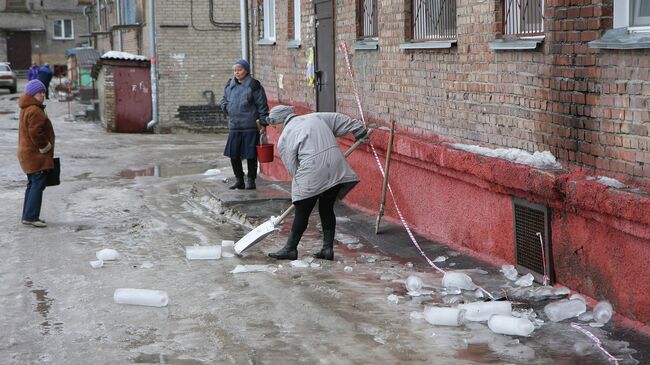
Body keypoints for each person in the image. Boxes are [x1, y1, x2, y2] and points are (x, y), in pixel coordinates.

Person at [265, 105, 369, 261]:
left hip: (312, 170)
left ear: (281, 121)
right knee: (326, 208)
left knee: (302, 210)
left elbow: (293, 169)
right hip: (336, 168)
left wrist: (303, 193)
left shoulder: (285, 138)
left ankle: (290, 249)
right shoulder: (315, 117)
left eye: (274, 125)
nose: (274, 129)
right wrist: (358, 130)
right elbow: (339, 119)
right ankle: (327, 249)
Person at [220, 59, 269, 190]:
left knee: (251, 155)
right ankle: (239, 179)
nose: (237, 72)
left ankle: (251, 180)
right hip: (235, 125)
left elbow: (262, 104)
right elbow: (224, 99)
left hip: (251, 125)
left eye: (240, 70)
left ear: (246, 70)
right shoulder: (230, 85)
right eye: (235, 70)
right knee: (233, 154)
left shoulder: (254, 85)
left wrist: (263, 122)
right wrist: (226, 107)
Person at [17, 79, 55, 228]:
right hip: (35, 154)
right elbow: (35, 132)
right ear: (32, 94)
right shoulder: (34, 110)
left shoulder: (26, 108)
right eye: (40, 92)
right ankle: (32, 217)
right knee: (37, 184)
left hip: (27, 153)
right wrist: (45, 147)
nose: (43, 95)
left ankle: (28, 215)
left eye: (44, 92)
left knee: (32, 183)